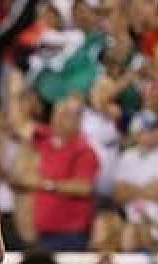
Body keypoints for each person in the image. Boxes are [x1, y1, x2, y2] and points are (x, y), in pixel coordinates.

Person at [16, 94, 98, 251]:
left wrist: (45, 184)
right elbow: (22, 126)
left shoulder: (84, 150)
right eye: (56, 114)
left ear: (77, 120)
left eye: (65, 115)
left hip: (68, 234)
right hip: (40, 231)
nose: (57, 119)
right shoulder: (46, 139)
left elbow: (84, 187)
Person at [112, 110, 158, 250]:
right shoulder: (128, 156)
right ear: (137, 133)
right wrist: (146, 189)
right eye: (148, 130)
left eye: (157, 129)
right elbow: (118, 194)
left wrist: (130, 189)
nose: (154, 133)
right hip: (131, 225)